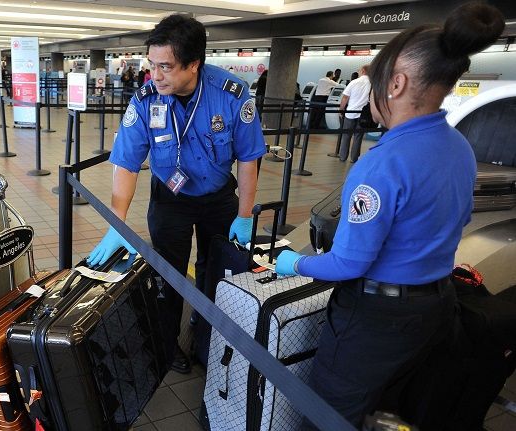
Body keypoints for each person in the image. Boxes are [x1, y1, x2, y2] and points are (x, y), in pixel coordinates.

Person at [275, 3, 504, 428]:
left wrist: (294, 263)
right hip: (436, 306)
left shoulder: (383, 163)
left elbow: (348, 263)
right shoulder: (460, 147)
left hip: (377, 318)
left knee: (330, 412)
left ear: (396, 83)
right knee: (393, 405)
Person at [88, 14, 266, 374]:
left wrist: (245, 215)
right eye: (152, 65)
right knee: (167, 277)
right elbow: (125, 163)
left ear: (193, 64)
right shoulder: (145, 100)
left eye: (165, 67)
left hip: (218, 198)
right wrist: (116, 225)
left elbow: (248, 159)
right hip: (170, 201)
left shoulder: (230, 95)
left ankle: (206, 335)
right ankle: (167, 348)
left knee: (215, 274)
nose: (155, 75)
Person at [337, 64, 371, 163]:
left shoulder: (354, 82)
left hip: (350, 113)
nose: (358, 72)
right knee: (358, 137)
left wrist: (341, 109)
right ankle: (354, 158)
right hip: (364, 114)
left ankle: (343, 157)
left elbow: (345, 97)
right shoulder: (372, 83)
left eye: (359, 70)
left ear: (363, 71)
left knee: (346, 135)